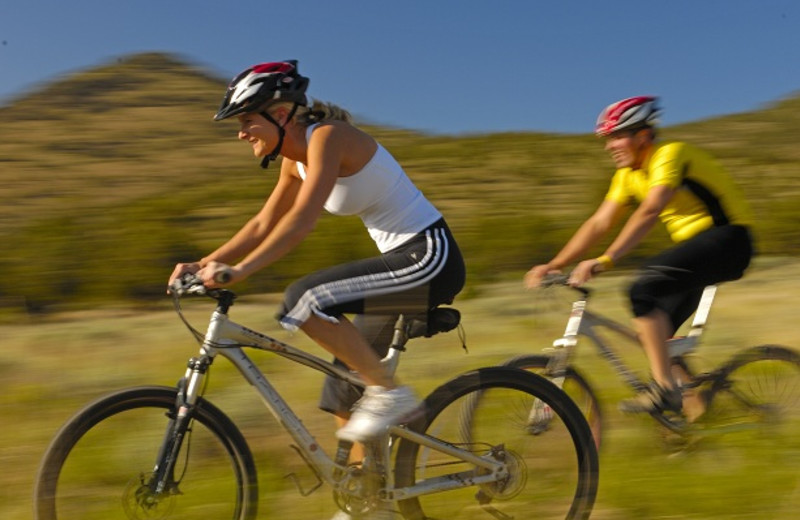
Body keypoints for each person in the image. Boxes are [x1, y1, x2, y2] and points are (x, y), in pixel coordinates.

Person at [168, 61, 465, 447]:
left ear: (279, 114)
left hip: (429, 259)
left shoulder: (328, 137)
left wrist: (241, 270)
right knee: (345, 391)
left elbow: (301, 220)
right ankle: (367, 500)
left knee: (304, 300)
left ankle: (393, 395)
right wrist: (204, 263)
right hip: (401, 267)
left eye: (245, 122)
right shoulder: (294, 161)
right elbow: (264, 223)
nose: (241, 134)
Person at [524, 96, 754, 414]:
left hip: (729, 241)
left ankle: (664, 391)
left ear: (643, 136)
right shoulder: (627, 176)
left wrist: (605, 260)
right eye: (608, 139)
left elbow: (651, 209)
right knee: (655, 337)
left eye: (617, 136)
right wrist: (555, 264)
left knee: (641, 289)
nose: (609, 146)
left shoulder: (669, 155)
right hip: (697, 254)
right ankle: (696, 418)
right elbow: (599, 222)